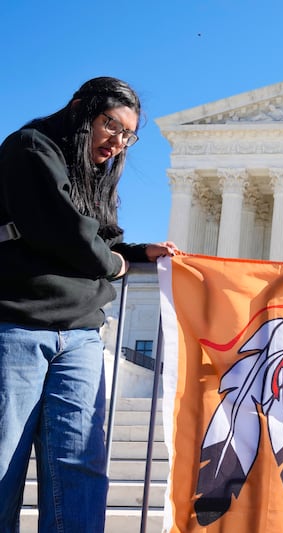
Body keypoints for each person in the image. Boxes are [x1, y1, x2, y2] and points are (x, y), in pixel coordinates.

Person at [0, 77, 179, 532]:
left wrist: (138, 254)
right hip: (18, 325)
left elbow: (101, 238)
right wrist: (117, 266)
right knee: (3, 466)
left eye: (127, 136)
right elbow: (64, 231)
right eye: (110, 126)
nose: (118, 143)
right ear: (81, 109)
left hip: (79, 335)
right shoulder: (30, 148)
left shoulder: (94, 176)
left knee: (80, 470)